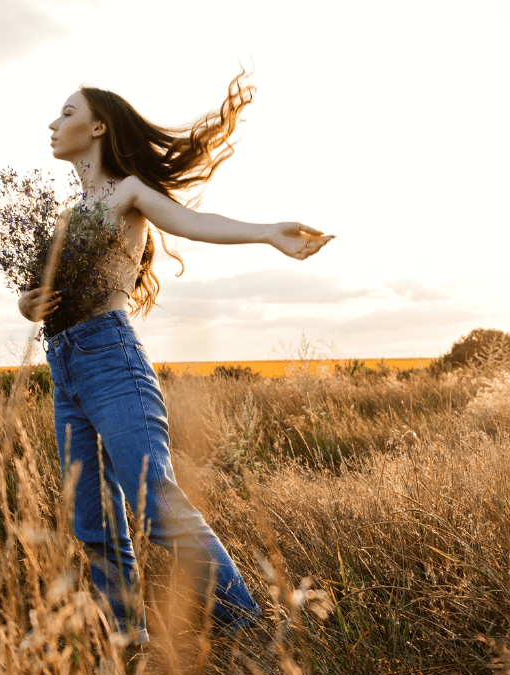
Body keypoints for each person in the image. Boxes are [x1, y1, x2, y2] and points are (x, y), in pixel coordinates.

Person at [18, 73, 334, 645]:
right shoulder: (65, 216)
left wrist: (267, 233)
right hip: (63, 368)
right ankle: (127, 639)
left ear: (97, 127)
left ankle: (249, 630)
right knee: (94, 521)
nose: (52, 123)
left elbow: (193, 223)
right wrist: (27, 302)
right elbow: (39, 295)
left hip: (111, 360)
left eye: (66, 113)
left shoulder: (128, 192)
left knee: (155, 503)